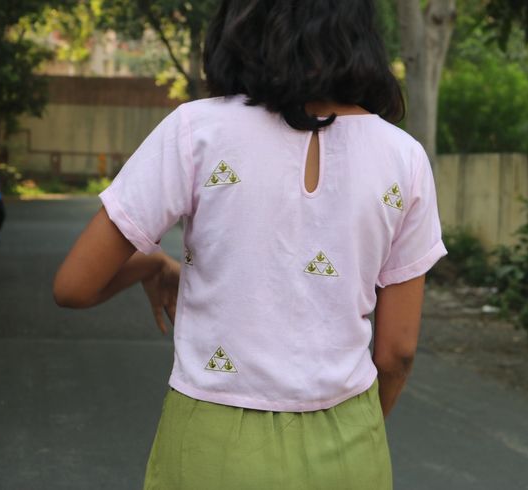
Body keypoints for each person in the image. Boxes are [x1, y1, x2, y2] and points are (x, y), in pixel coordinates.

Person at [53, 0, 447, 488]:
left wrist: (151, 265)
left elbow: (74, 286)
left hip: (212, 450)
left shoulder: (197, 131)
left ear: (243, 23)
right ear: (359, 30)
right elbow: (396, 352)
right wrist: (355, 432)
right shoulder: (405, 158)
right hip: (351, 446)